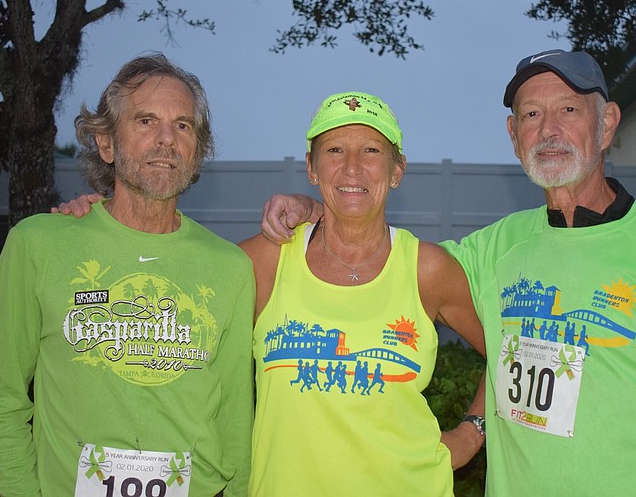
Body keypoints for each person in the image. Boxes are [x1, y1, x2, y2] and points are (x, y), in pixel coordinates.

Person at [261, 51, 636, 496]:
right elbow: (378, 256)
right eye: (532, 115)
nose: (549, 130)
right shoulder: (490, 251)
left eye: (569, 110)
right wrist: (318, 210)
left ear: (606, 125)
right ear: (514, 137)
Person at [57, 91, 488, 496]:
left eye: (372, 151)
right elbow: (164, 288)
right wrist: (106, 218)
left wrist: (471, 433)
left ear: (397, 170)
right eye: (335, 150)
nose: (353, 167)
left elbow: (509, 352)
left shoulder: (427, 268)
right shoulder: (267, 260)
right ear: (312, 167)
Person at [0, 54, 254, 496]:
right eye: (146, 120)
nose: (166, 139)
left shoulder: (229, 267)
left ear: (197, 150)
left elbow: (235, 420)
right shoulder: (38, 245)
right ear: (107, 144)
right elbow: (2, 400)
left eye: (183, 125)